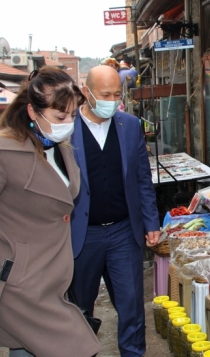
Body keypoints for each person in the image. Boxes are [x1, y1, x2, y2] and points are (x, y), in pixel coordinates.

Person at [0, 67, 102, 357]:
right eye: (60, 117)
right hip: (19, 284)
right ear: (33, 112)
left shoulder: (59, 147)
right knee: (79, 349)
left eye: (72, 115)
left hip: (54, 277)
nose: (68, 123)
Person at [71, 65, 160, 356]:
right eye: (105, 94)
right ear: (87, 93)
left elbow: (142, 179)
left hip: (124, 231)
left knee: (132, 305)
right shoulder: (66, 129)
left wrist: (151, 222)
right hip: (82, 235)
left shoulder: (130, 125)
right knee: (78, 307)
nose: (111, 99)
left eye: (117, 94)